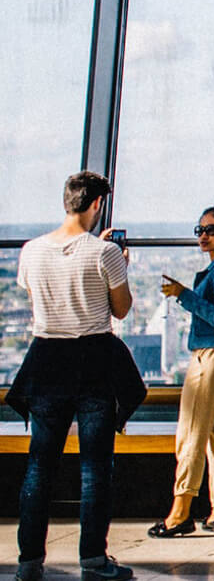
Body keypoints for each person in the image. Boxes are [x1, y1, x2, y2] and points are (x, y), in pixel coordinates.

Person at [8, 171, 142, 581]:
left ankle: (29, 562)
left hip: (46, 360)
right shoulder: (104, 254)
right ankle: (94, 560)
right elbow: (121, 309)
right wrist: (118, 264)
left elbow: (36, 300)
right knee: (94, 468)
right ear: (97, 205)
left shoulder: (31, 251)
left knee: (39, 465)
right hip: (93, 363)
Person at [149, 202, 214, 537]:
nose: (203, 236)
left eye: (211, 230)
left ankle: (179, 513)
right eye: (200, 230)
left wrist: (184, 295)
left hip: (212, 358)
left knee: (191, 433)